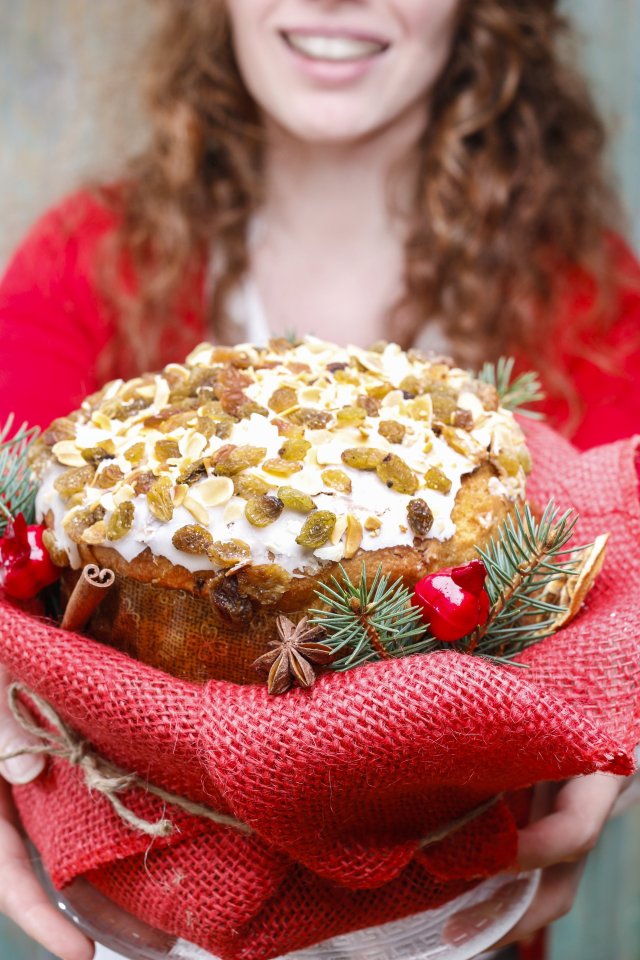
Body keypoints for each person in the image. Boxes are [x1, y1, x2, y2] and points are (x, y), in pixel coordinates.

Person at [0, 2, 639, 959]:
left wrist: (622, 722)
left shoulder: (591, 302)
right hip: (152, 909)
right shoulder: (83, 264)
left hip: (449, 914)